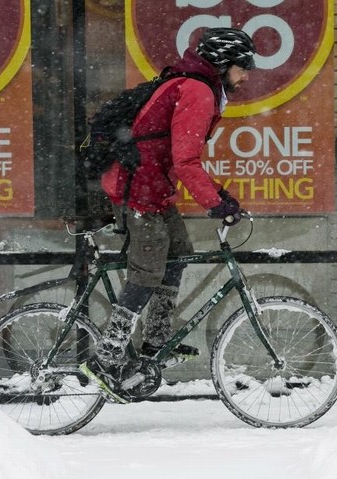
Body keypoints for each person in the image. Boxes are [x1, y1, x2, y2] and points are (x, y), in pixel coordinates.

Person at [81, 27, 257, 401]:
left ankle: (154, 345)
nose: (247, 75)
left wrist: (218, 193)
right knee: (147, 271)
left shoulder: (195, 86)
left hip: (153, 188)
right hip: (138, 190)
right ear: (223, 65)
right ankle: (107, 359)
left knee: (177, 255)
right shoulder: (197, 91)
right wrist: (216, 205)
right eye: (243, 67)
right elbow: (186, 159)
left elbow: (172, 153)